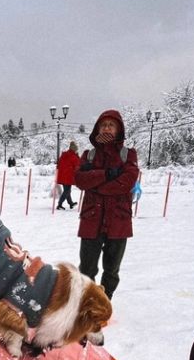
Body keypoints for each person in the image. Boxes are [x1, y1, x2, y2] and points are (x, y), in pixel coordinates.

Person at [75, 110, 138, 340]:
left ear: (119, 129)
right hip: (92, 220)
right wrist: (109, 174)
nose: (107, 129)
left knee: (112, 270)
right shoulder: (88, 154)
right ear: (97, 129)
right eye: (103, 125)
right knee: (87, 269)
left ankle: (103, 306)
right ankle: (85, 307)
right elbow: (80, 179)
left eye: (112, 125)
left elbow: (127, 181)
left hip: (118, 222)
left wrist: (98, 182)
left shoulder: (127, 153)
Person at [56, 141, 80, 210]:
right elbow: (78, 165)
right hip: (68, 176)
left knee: (67, 190)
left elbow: (58, 165)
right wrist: (77, 157)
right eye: (76, 149)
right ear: (74, 149)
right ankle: (59, 205)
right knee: (67, 191)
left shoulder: (64, 155)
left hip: (63, 175)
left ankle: (70, 203)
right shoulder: (73, 156)